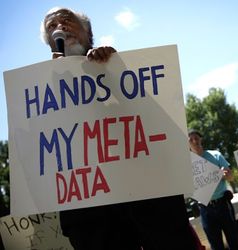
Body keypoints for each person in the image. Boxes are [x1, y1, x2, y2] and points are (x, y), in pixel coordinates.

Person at [41, 7, 198, 250]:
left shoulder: (118, 66)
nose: (60, 27)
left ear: (87, 31)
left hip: (150, 195)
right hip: (91, 212)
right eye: (52, 26)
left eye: (67, 21)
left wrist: (115, 71)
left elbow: (154, 120)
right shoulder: (37, 92)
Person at [188, 129, 238, 250]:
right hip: (205, 208)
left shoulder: (215, 155)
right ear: (187, 143)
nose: (195, 141)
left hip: (223, 204)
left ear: (201, 139)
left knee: (234, 241)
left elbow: (231, 177)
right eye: (191, 139)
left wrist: (227, 174)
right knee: (216, 245)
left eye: (196, 138)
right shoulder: (186, 164)